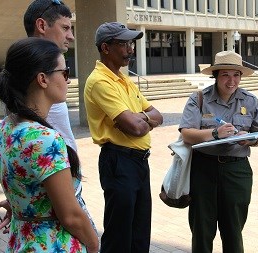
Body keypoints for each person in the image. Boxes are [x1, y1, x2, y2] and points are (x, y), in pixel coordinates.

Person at [0, 0, 97, 234]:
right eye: (65, 27)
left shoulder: (3, 128)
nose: (71, 36)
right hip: (55, 228)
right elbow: (70, 217)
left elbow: (21, 161)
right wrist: (92, 244)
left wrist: (25, 201)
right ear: (42, 79)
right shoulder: (45, 138)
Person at [84, 22, 163, 253]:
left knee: (139, 234)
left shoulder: (123, 79)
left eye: (131, 43)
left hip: (138, 162)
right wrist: (143, 119)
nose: (130, 49)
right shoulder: (100, 81)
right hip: (119, 160)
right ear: (106, 48)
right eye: (124, 43)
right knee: (119, 235)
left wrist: (142, 119)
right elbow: (135, 128)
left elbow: (157, 114)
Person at [179, 50, 258, 253]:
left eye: (236, 75)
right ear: (216, 75)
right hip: (204, 170)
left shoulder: (250, 101)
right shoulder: (199, 99)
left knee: (234, 231)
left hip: (237, 171)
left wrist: (251, 139)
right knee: (202, 230)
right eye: (226, 75)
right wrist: (214, 133)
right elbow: (186, 133)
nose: (231, 81)